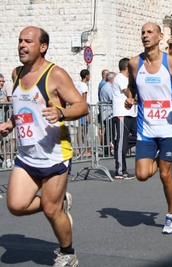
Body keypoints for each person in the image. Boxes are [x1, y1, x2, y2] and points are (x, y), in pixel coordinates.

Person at [0, 26, 88, 266]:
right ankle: (58, 202)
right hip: (27, 155)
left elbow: (82, 106)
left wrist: (61, 112)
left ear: (42, 47)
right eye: (19, 40)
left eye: (28, 41)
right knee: (16, 206)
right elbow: (25, 108)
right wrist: (10, 123)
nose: (21, 45)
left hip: (54, 155)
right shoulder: (17, 73)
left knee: (51, 211)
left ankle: (68, 253)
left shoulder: (55, 74)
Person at [126, 22, 172, 234]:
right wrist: (130, 98)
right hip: (145, 128)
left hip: (167, 127)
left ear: (160, 36)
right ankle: (160, 160)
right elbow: (130, 86)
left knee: (166, 175)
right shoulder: (134, 63)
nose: (145, 36)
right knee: (141, 175)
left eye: (150, 32)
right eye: (143, 32)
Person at [112, 58, 137, 180]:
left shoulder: (127, 79)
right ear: (127, 67)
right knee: (122, 141)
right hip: (121, 113)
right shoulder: (120, 78)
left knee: (139, 136)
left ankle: (119, 145)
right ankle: (120, 171)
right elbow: (128, 93)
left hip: (131, 114)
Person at [99, 71, 116, 157]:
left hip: (108, 113)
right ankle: (107, 149)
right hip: (108, 113)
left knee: (109, 132)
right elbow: (113, 98)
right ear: (112, 79)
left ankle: (107, 148)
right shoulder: (108, 87)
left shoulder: (107, 86)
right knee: (110, 132)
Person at [76, 69, 91, 158]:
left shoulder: (78, 85)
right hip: (84, 109)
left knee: (83, 130)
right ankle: (83, 150)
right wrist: (86, 113)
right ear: (86, 76)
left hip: (80, 108)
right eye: (89, 75)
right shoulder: (84, 86)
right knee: (82, 130)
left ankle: (85, 149)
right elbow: (84, 99)